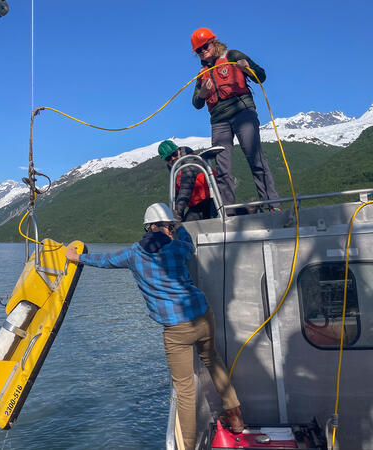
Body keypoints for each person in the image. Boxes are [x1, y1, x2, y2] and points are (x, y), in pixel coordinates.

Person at [65, 203, 243, 449]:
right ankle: (235, 418)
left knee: (185, 390)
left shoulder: (133, 254)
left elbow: (105, 260)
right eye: (168, 226)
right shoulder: (178, 247)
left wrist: (78, 258)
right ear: (159, 228)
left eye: (171, 227)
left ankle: (188, 446)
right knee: (213, 361)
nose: (170, 230)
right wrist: (179, 227)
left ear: (148, 228)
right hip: (203, 316)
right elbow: (189, 245)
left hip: (176, 330)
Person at [191, 27, 280, 212]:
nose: (202, 51)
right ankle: (228, 213)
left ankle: (272, 207)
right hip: (219, 121)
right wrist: (203, 93)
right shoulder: (202, 74)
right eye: (198, 50)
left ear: (213, 42)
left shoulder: (232, 55)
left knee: (256, 160)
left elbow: (261, 75)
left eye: (204, 46)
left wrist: (247, 68)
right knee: (222, 169)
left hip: (243, 113)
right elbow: (196, 103)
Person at [158, 140, 215, 221]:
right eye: (168, 158)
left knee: (214, 223)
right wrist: (177, 215)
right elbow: (177, 192)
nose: (173, 158)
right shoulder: (174, 170)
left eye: (174, 154)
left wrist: (178, 212)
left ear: (179, 150)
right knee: (185, 227)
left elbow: (186, 187)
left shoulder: (190, 160)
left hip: (212, 199)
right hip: (197, 205)